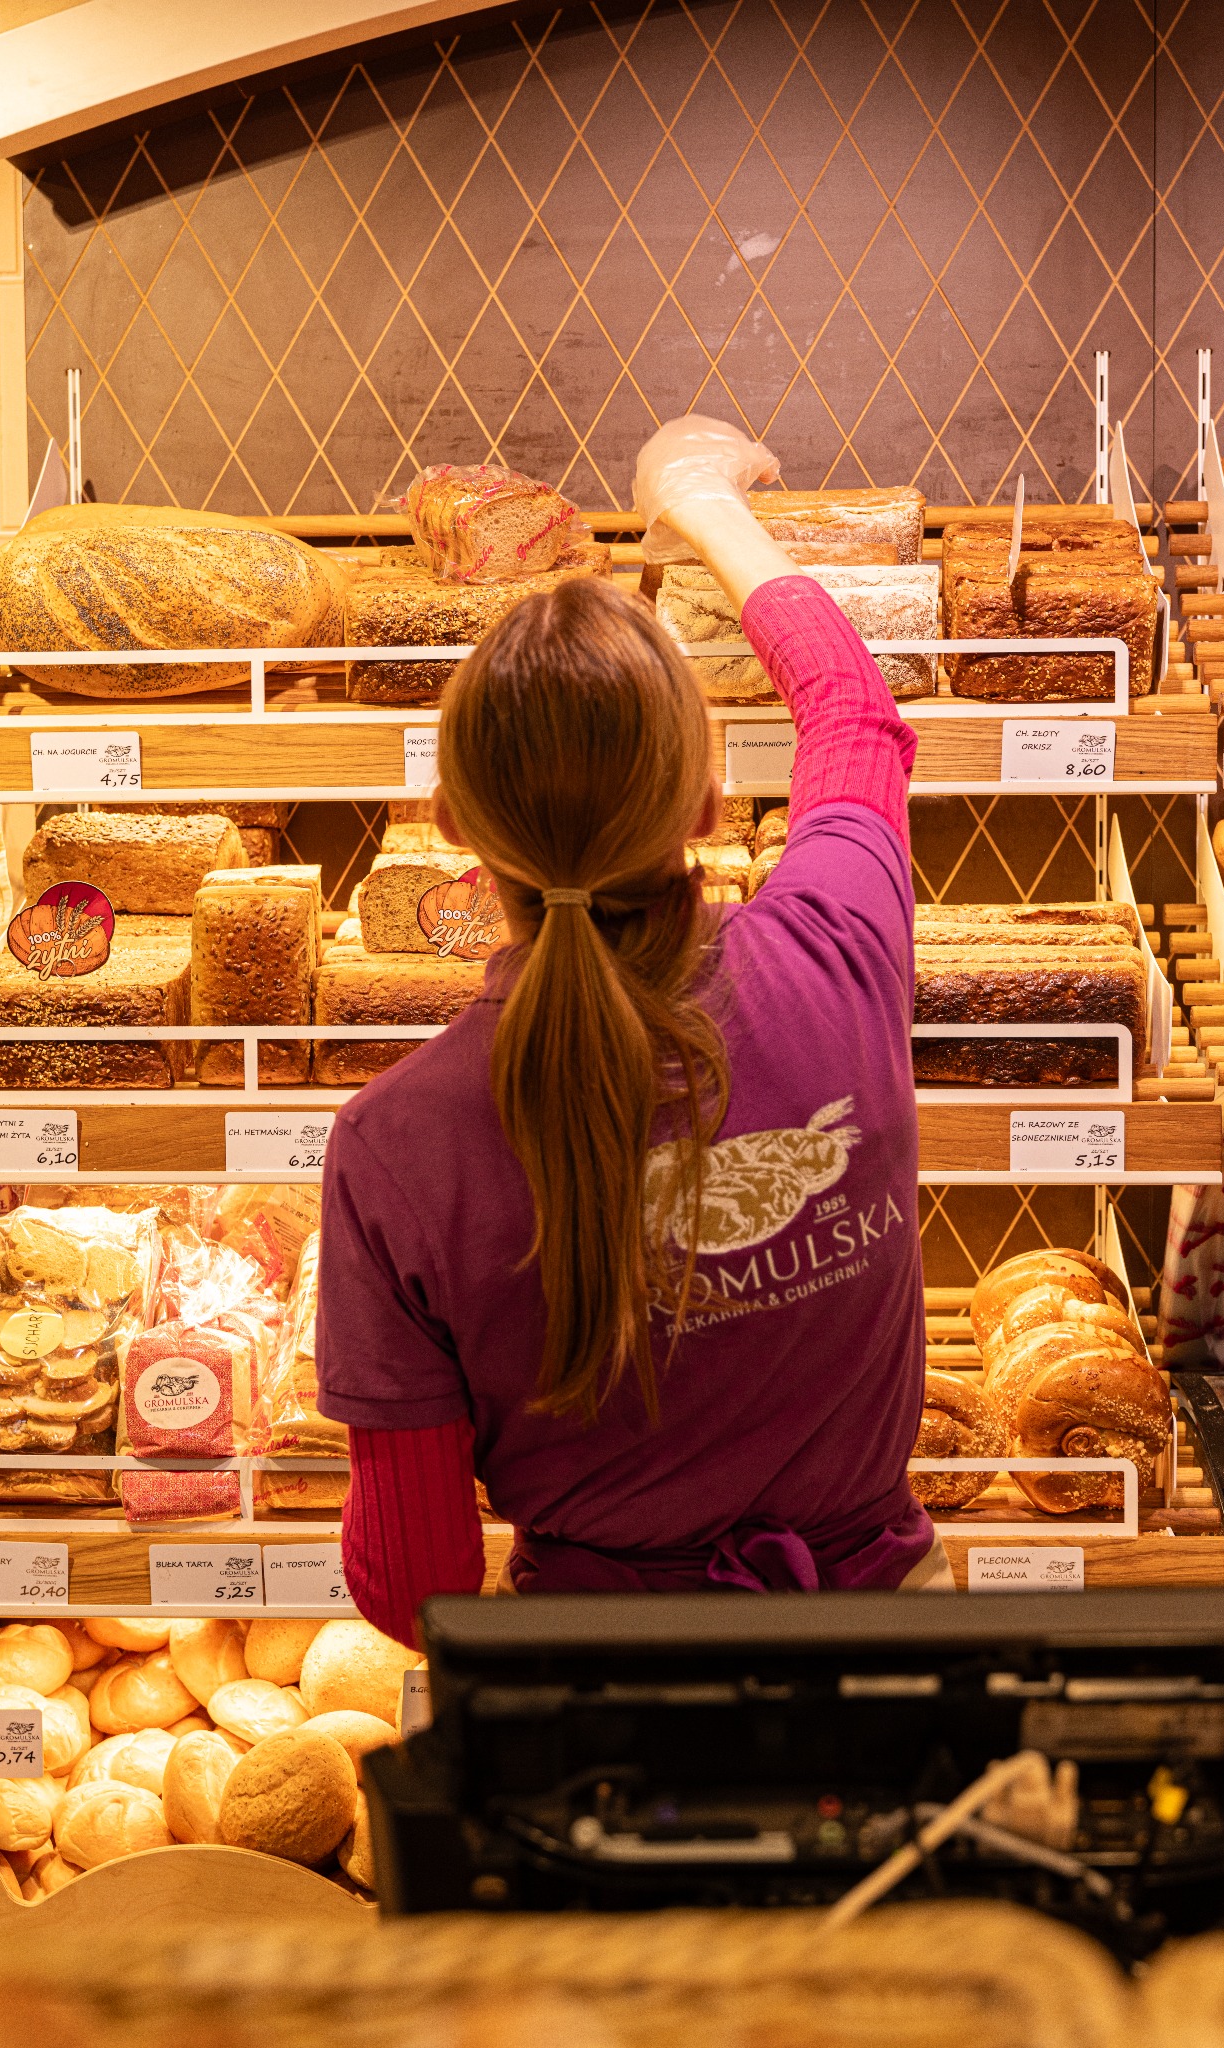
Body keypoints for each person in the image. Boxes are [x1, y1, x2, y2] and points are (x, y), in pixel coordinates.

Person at [315, 416, 947, 1648]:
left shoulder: (392, 1147)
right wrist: (699, 496)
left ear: (451, 823)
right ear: (708, 801)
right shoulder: (838, 942)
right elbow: (852, 712)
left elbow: (416, 1583)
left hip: (587, 1708)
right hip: (886, 1662)